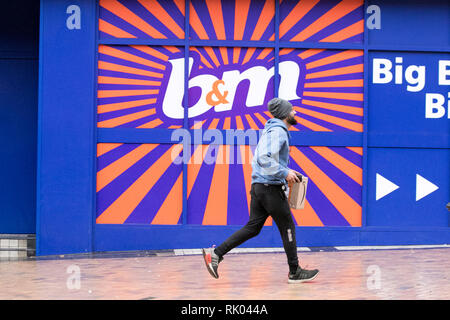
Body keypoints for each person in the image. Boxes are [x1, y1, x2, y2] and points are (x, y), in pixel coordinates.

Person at [202, 98, 319, 284]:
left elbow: (260, 159)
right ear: (284, 114)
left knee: (253, 228)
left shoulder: (271, 131)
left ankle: (215, 255)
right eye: (292, 110)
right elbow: (263, 158)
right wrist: (284, 171)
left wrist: (288, 171)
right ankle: (294, 271)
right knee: (287, 227)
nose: (295, 112)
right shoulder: (278, 132)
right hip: (269, 188)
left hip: (260, 187)